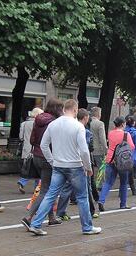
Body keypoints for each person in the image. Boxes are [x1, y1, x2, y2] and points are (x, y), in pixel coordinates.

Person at [24, 99, 101, 236]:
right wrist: (88, 167)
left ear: (64, 109)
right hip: (75, 166)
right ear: (76, 110)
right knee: (82, 197)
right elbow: (84, 150)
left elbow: (43, 145)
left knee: (50, 194)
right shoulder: (78, 126)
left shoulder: (53, 124)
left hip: (58, 165)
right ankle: (87, 227)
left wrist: (52, 161)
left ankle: (36, 224)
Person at [23, 98, 63, 226]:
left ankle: (51, 218)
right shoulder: (55, 122)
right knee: (46, 190)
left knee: (48, 188)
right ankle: (28, 217)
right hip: (48, 157)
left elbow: (32, 140)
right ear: (57, 109)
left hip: (37, 157)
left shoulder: (38, 120)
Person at [98, 117, 135, 210]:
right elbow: (131, 146)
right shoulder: (126, 134)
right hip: (122, 161)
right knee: (123, 183)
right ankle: (123, 204)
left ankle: (101, 200)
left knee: (108, 182)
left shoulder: (110, 133)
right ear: (123, 124)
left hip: (110, 159)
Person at [16, 107, 42, 193]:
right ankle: (37, 188)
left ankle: (22, 182)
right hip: (37, 149)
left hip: (26, 149)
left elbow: (21, 137)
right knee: (38, 170)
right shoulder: (38, 123)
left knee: (28, 167)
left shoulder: (24, 124)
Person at [88, 107, 107, 202]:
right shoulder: (100, 123)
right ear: (98, 114)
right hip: (99, 149)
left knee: (90, 169)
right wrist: (106, 149)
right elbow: (102, 138)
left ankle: (90, 186)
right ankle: (100, 185)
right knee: (101, 168)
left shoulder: (88, 123)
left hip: (89, 150)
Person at [125, 116, 136, 196]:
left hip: (122, 154)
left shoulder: (123, 131)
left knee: (126, 173)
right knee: (130, 172)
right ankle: (131, 189)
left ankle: (132, 188)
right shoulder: (135, 133)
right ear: (134, 123)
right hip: (132, 154)